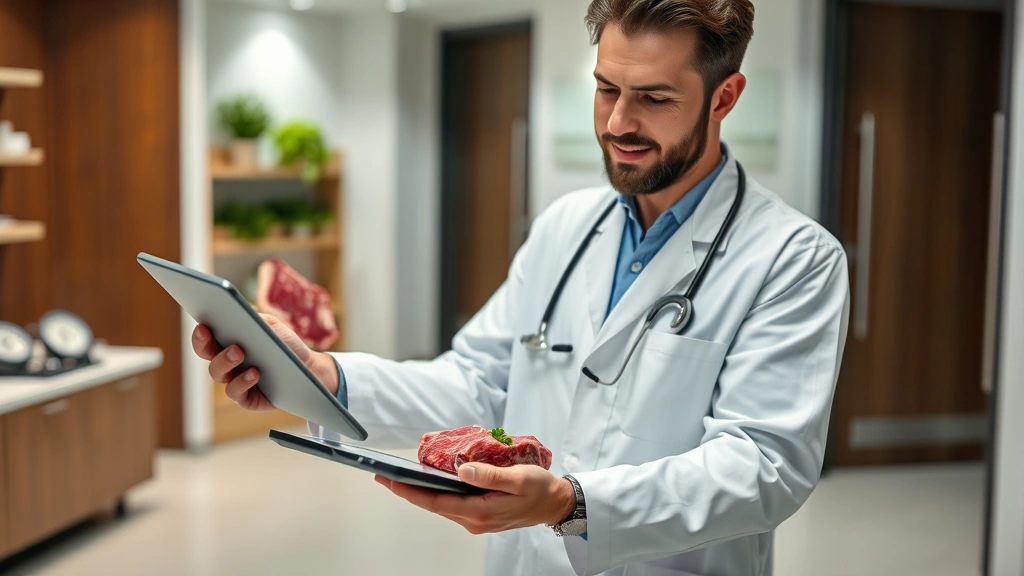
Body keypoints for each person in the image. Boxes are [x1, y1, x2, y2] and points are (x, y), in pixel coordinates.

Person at [192, 1, 849, 574]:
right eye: (605, 89)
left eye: (653, 98)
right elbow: (477, 380)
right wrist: (324, 376)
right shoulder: (566, 226)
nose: (618, 122)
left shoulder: (794, 259)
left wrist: (575, 503)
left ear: (724, 97)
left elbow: (763, 467)